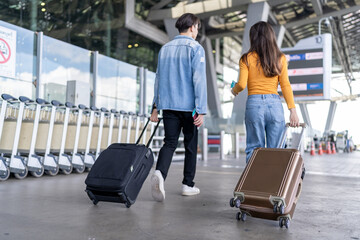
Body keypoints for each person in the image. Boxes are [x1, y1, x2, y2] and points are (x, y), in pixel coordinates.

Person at [149, 13, 207, 202]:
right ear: (192, 27)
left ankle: (160, 173)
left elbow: (158, 79)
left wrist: (155, 108)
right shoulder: (195, 48)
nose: (197, 31)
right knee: (190, 145)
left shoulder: (165, 49)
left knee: (170, 143)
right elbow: (199, 80)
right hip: (189, 108)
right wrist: (201, 109)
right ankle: (187, 184)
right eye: (197, 27)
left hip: (169, 107)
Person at [231, 21, 300, 163]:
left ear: (253, 38)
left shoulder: (246, 58)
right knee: (277, 149)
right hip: (275, 105)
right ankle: (274, 184)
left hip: (254, 104)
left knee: (254, 148)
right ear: (271, 37)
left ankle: (254, 184)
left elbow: (242, 85)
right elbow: (285, 85)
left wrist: (234, 89)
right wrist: (292, 110)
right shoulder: (280, 58)